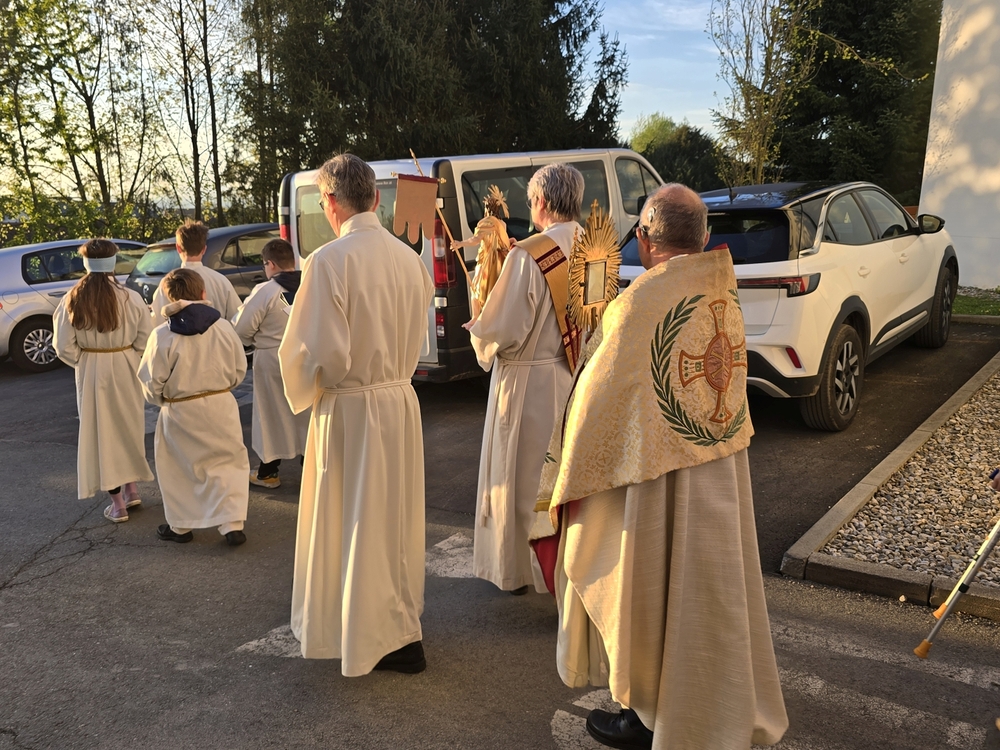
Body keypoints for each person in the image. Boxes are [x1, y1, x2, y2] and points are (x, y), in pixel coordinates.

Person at [533, 184, 788, 750]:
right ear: (705, 239)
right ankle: (714, 708)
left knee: (651, 591)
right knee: (711, 597)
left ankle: (649, 715)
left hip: (656, 478)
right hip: (718, 471)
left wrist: (563, 476)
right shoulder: (722, 293)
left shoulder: (637, 306)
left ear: (645, 241)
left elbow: (594, 406)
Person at [278, 153, 433, 675]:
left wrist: (306, 386)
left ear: (329, 201)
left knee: (354, 521)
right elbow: (420, 340)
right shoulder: (409, 259)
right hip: (398, 401)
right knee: (393, 521)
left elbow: (318, 352)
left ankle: (365, 635)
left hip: (350, 408)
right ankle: (399, 629)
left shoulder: (328, 261)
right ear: (376, 198)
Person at [463, 163, 583, 595]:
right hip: (574, 376)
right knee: (565, 479)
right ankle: (569, 565)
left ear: (542, 201)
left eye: (532, 201)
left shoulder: (530, 255)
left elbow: (504, 330)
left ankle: (520, 570)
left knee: (521, 479)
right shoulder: (594, 247)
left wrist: (479, 321)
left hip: (529, 384)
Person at [138, 268, 251, 546]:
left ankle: (181, 526)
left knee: (180, 467)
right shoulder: (223, 327)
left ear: (169, 297)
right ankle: (232, 523)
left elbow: (151, 380)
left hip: (181, 408)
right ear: (203, 292)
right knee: (227, 461)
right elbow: (239, 368)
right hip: (221, 404)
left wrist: (163, 401)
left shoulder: (162, 334)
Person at [52, 239, 155, 523]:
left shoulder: (72, 298)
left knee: (101, 433)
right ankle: (132, 489)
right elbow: (146, 339)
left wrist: (85, 360)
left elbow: (62, 346)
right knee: (128, 426)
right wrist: (129, 355)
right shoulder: (130, 297)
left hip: (92, 368)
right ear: (113, 261)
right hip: (125, 364)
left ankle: (118, 503)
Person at [232, 238, 309, 488]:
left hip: (272, 359)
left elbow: (242, 328)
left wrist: (254, 340)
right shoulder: (310, 285)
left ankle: (268, 472)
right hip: (306, 355)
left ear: (271, 264)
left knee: (271, 415)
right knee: (306, 413)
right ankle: (311, 468)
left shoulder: (266, 291)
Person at [150, 219, 241, 322]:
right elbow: (236, 318)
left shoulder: (166, 284)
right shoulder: (221, 281)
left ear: (178, 248)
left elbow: (157, 320)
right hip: (217, 332)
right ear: (204, 249)